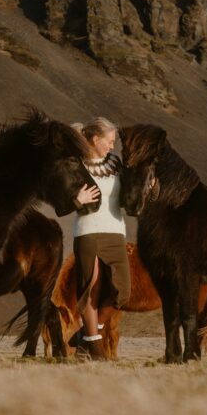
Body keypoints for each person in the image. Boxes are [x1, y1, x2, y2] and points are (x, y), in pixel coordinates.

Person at [70, 117, 130, 360]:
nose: (112, 146)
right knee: (91, 288)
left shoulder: (115, 162)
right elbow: (61, 195)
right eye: (109, 141)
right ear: (95, 139)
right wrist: (77, 200)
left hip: (116, 231)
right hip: (88, 231)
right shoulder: (76, 164)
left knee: (122, 291)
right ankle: (93, 348)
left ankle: (85, 334)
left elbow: (129, 190)